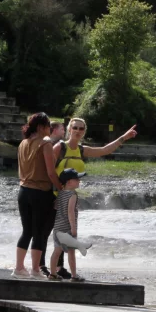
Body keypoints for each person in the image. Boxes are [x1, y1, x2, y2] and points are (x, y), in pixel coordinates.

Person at [40, 118, 138, 278]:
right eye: (75, 128)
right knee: (45, 232)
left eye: (81, 129)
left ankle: (60, 268)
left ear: (84, 132)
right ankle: (41, 266)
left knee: (65, 234)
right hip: (53, 196)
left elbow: (105, 150)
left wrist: (124, 137)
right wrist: (58, 190)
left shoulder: (81, 149)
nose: (78, 131)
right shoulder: (59, 147)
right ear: (69, 130)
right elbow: (48, 171)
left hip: (68, 197)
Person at [13, 112, 62, 279]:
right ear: (41, 127)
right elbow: (50, 172)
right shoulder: (45, 143)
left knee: (26, 231)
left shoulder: (23, 143)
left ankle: (19, 267)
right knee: (39, 232)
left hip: (23, 191)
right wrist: (60, 188)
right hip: (41, 192)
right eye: (48, 127)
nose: (50, 130)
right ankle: (35, 269)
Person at [48, 169, 93, 282]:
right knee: (71, 252)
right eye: (76, 179)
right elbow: (70, 211)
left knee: (57, 251)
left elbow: (55, 207)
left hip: (57, 227)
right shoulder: (73, 194)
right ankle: (74, 276)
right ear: (69, 182)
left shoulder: (61, 193)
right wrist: (73, 227)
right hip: (67, 228)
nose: (79, 181)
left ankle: (52, 274)